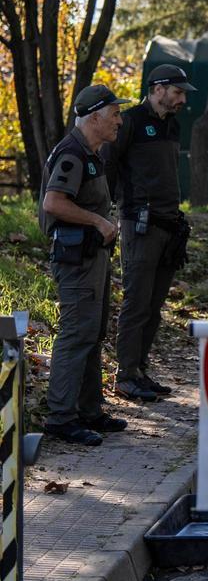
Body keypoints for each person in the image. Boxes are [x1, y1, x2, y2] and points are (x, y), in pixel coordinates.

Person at [38, 85, 130, 445]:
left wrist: (105, 222)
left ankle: (89, 410)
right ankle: (61, 418)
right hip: (76, 261)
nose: (120, 121)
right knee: (77, 335)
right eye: (115, 114)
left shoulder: (91, 153)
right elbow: (53, 204)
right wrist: (97, 221)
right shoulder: (72, 154)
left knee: (92, 334)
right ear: (95, 117)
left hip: (93, 258)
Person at [105, 64, 196, 402]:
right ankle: (125, 375)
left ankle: (140, 371)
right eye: (178, 92)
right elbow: (109, 165)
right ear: (158, 89)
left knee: (155, 305)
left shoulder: (171, 125)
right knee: (136, 303)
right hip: (139, 224)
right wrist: (110, 212)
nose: (183, 99)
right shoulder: (128, 121)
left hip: (169, 225)